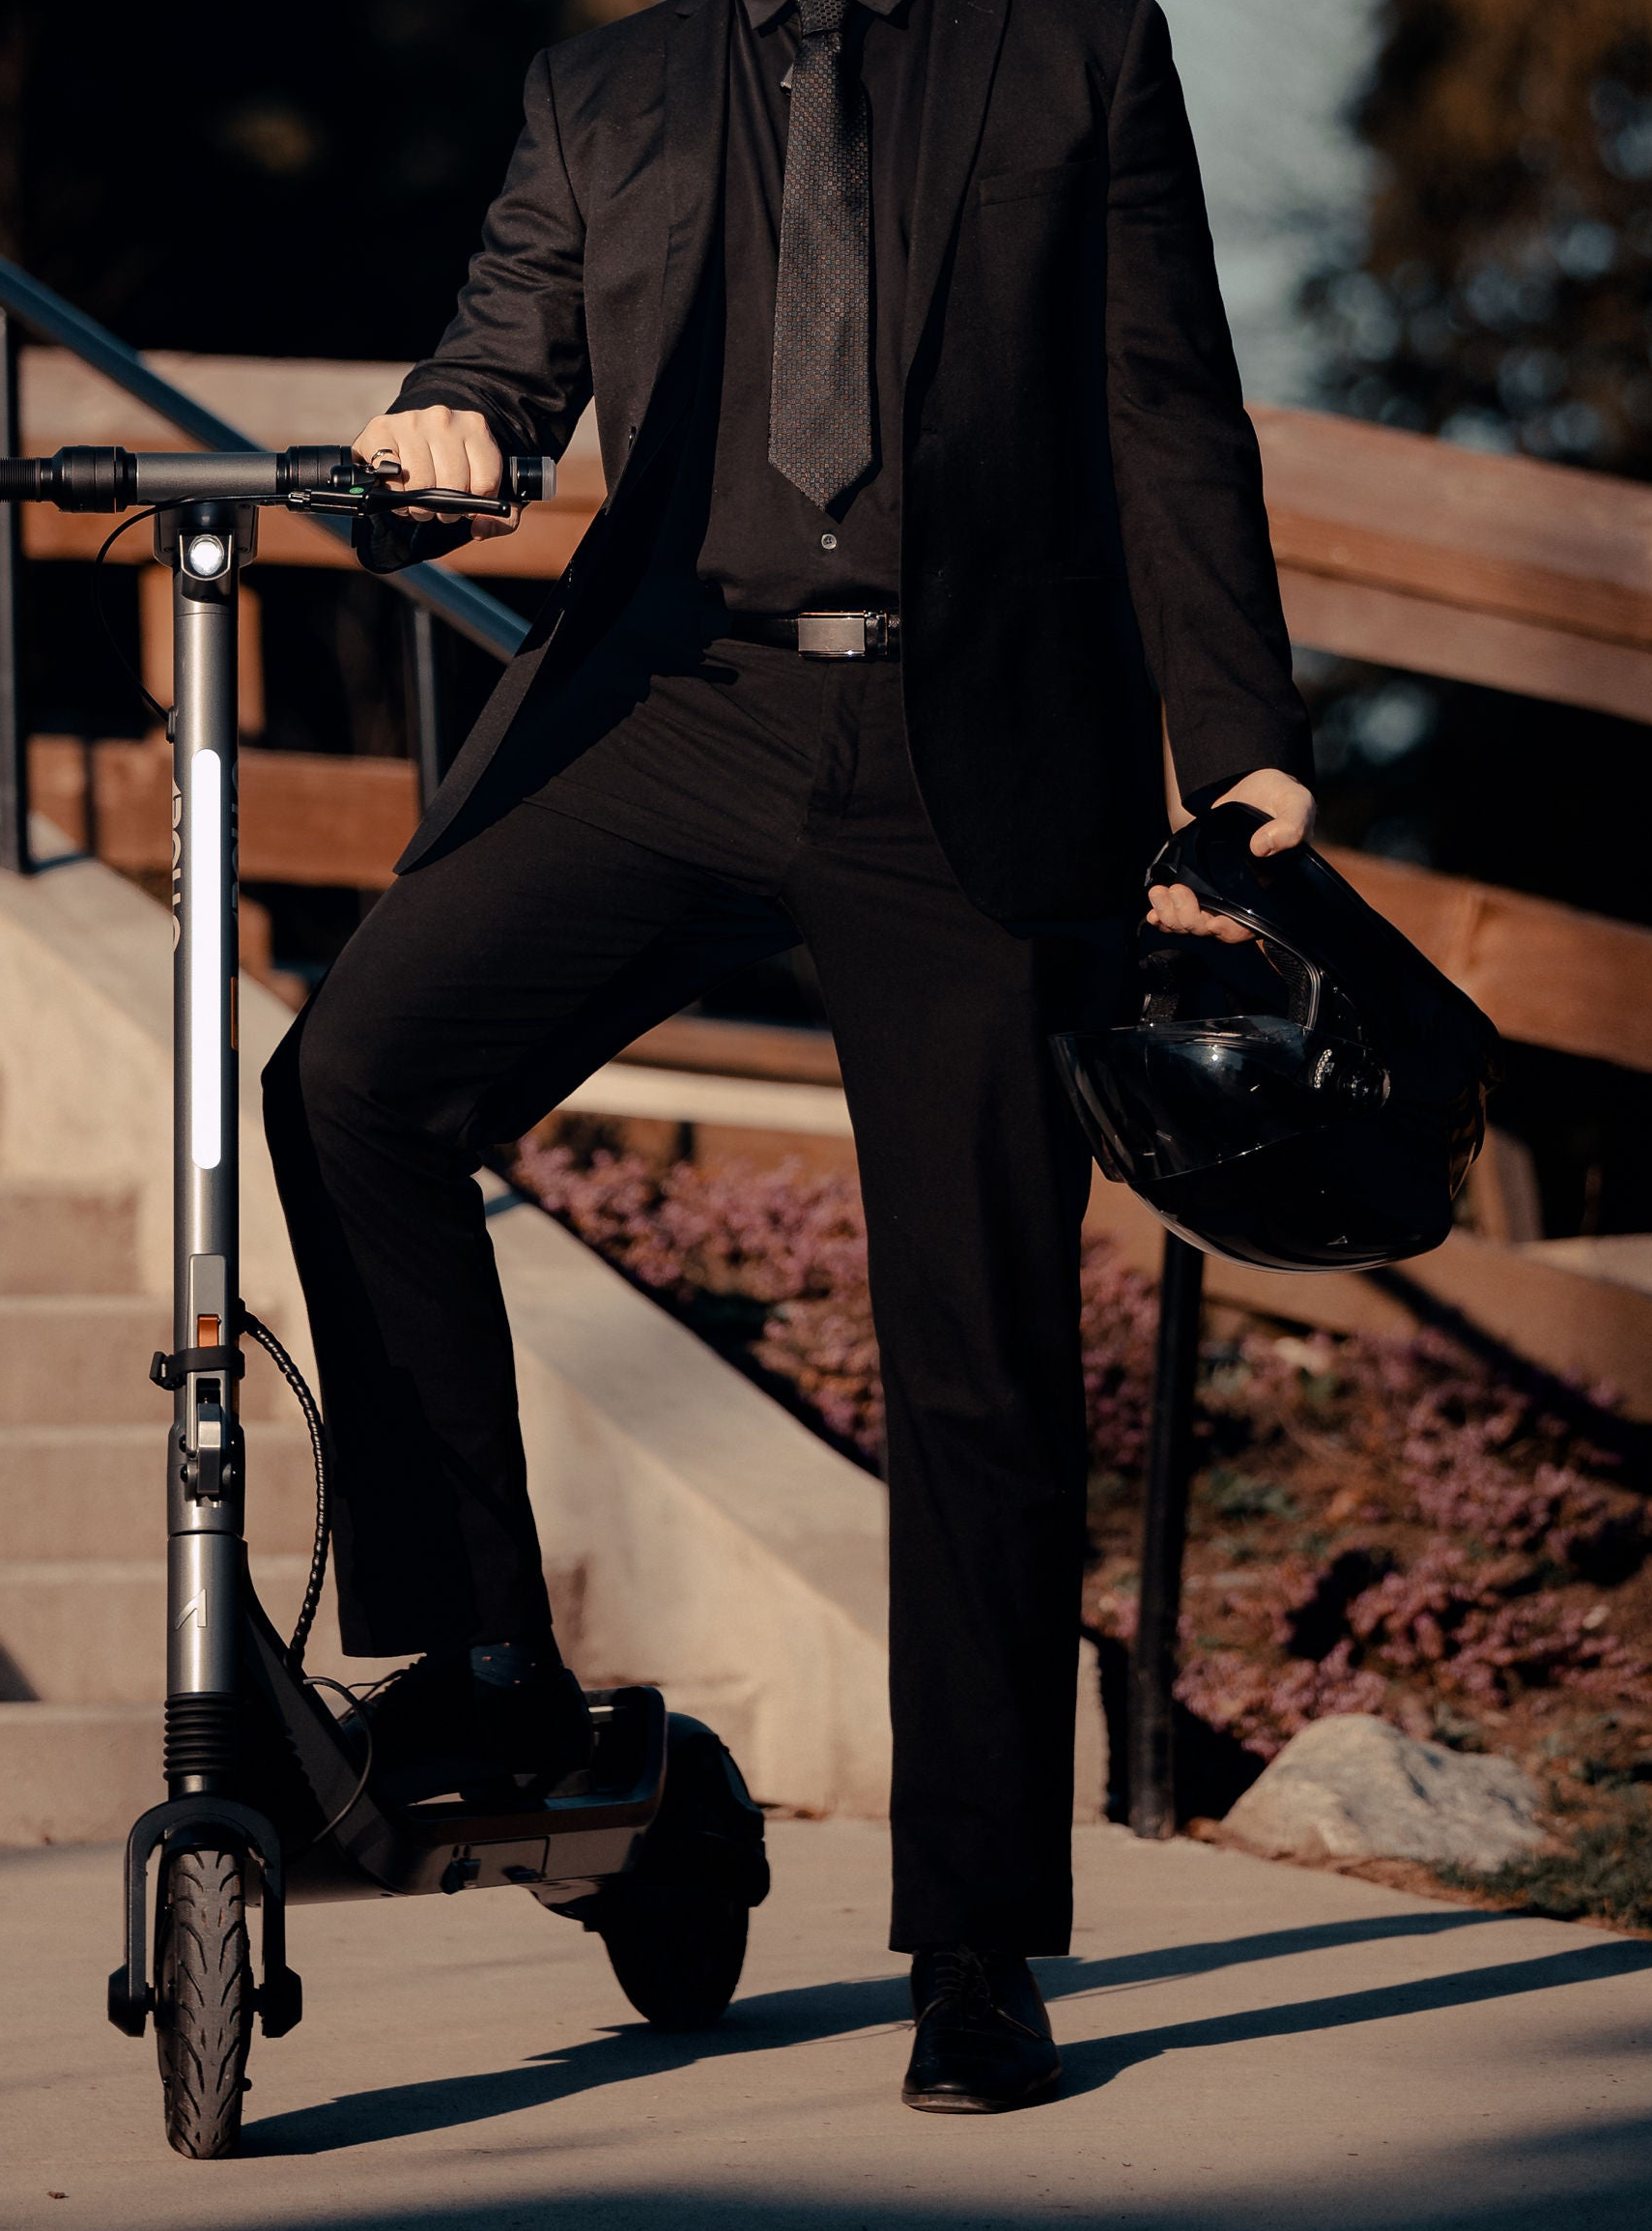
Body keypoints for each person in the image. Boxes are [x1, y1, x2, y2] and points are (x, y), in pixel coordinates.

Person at [263, 0, 1315, 2113]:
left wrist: (1245, 740)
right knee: (352, 1074)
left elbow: (1162, 398)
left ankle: (978, 1947)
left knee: (976, 1344)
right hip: (677, 714)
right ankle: (478, 1660)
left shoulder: (1068, 53)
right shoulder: (602, 86)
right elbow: (502, 361)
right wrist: (433, 440)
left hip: (976, 747)